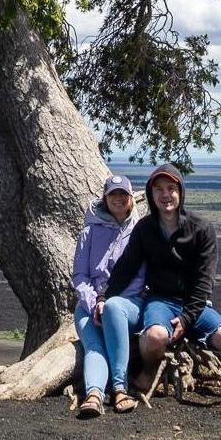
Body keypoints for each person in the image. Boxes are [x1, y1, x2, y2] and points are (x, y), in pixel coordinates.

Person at [101, 163, 221, 415]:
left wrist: (186, 319)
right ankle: (149, 372)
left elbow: (204, 283)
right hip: (160, 300)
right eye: (159, 189)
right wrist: (104, 297)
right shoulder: (145, 229)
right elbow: (125, 269)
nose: (166, 195)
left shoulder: (201, 228)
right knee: (154, 337)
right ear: (151, 195)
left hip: (194, 304)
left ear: (181, 192)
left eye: (171, 188)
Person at [70, 174, 145, 416]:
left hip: (127, 303)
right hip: (88, 306)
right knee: (94, 346)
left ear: (131, 198)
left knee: (113, 308)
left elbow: (141, 278)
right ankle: (94, 395)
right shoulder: (89, 233)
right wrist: (93, 305)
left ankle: (120, 389)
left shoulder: (140, 232)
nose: (118, 198)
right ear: (105, 198)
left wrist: (110, 303)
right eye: (113, 194)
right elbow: (80, 277)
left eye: (123, 194)